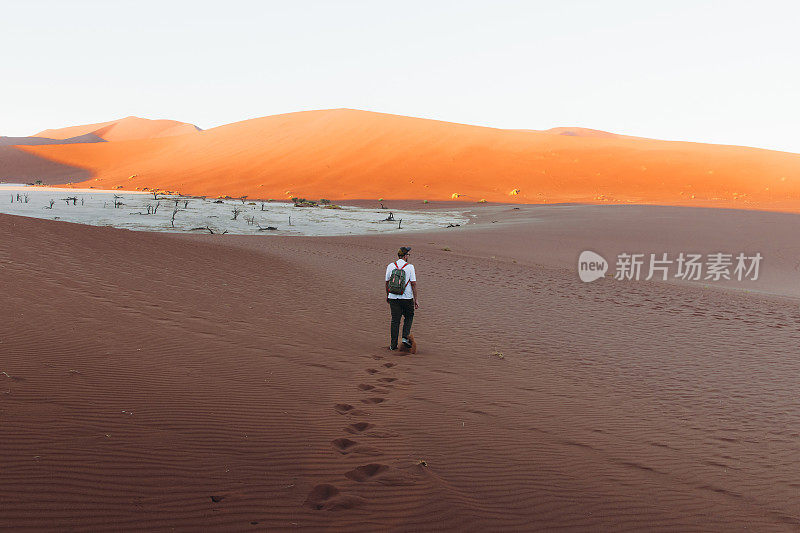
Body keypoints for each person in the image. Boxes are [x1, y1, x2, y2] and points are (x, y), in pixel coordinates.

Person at [385, 246, 418, 350]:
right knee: (409, 316)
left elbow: (387, 282)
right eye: (408, 254)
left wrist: (388, 295)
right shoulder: (410, 267)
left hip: (393, 297)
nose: (408, 256)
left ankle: (393, 345)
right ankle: (404, 338)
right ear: (405, 256)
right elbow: (413, 284)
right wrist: (415, 299)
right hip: (407, 297)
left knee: (395, 320)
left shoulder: (391, 266)